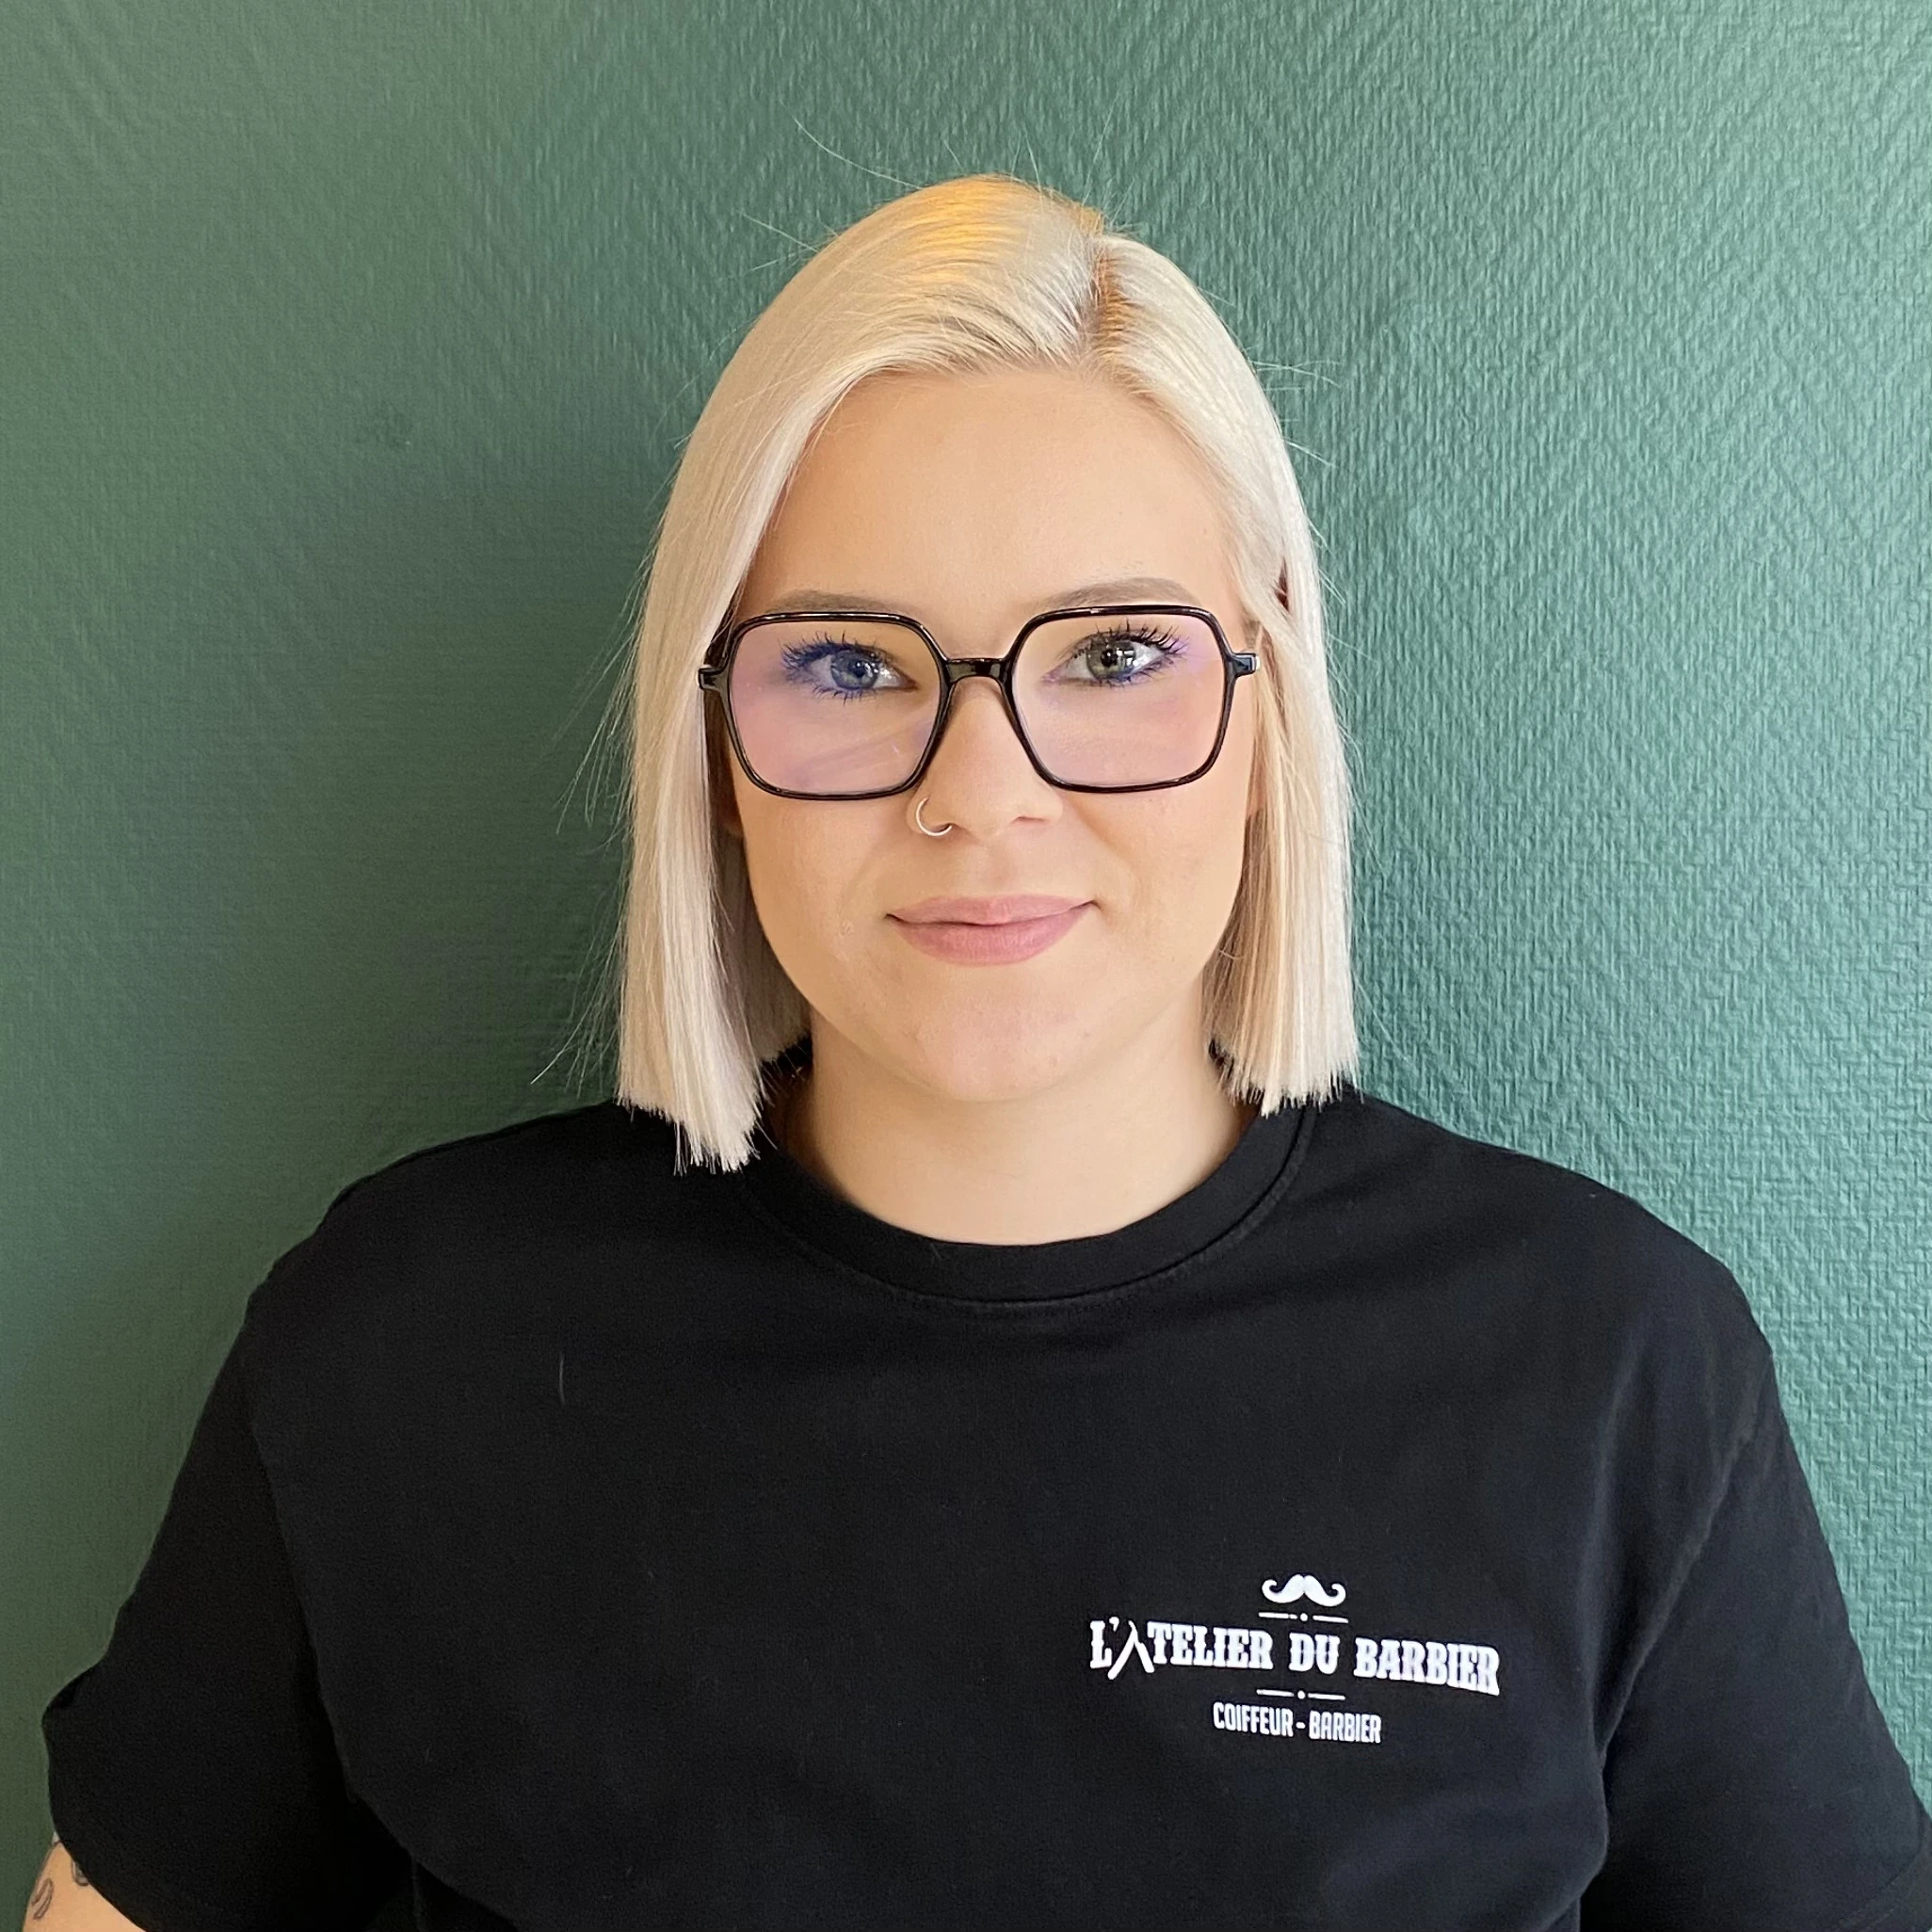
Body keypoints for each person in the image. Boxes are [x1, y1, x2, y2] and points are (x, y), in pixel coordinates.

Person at [26, 172, 1932, 1932]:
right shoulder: (404, 1336)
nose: (983, 794)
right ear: (711, 749)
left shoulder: (1606, 1367)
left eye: (1113, 656)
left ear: (1269, 716)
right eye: (848, 664)